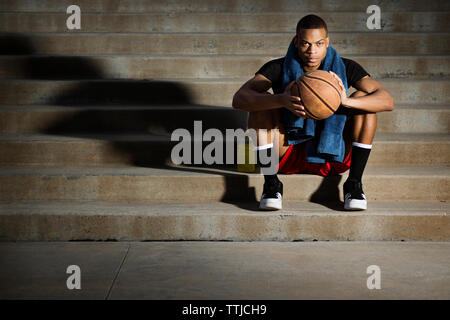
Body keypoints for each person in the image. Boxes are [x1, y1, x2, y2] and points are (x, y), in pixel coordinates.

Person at [232, 14, 394, 211]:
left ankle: (354, 184)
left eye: (318, 43)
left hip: (332, 154)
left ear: (327, 42)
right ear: (296, 42)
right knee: (260, 105)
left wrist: (345, 101)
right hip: (287, 151)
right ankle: (271, 184)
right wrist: (281, 99)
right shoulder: (278, 67)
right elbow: (239, 99)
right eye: (305, 43)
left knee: (364, 101)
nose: (312, 50)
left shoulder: (346, 67)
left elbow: (386, 100)